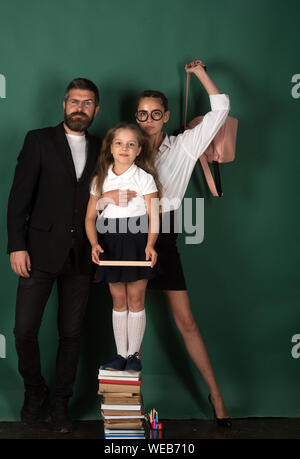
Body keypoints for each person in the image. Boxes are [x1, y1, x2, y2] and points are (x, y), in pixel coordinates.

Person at [101, 60, 232, 426]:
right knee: (129, 325)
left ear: (166, 115)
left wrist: (201, 73)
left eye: (155, 113)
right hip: (125, 236)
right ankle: (129, 410)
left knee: (186, 322)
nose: (148, 120)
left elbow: (221, 108)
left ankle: (217, 396)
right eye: (141, 114)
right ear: (135, 117)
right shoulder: (126, 151)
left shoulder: (183, 146)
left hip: (164, 235)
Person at [7, 78, 101, 433]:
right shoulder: (39, 140)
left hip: (82, 257)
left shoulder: (103, 146)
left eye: (87, 102)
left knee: (72, 334)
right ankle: (35, 390)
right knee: (23, 331)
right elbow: (19, 197)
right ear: (64, 105)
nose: (80, 107)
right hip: (37, 252)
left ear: (96, 109)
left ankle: (61, 401)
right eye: (74, 101)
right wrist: (17, 244)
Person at [85, 124, 160, 372]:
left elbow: (154, 217)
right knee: (119, 300)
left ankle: (132, 356)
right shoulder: (100, 178)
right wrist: (95, 243)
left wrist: (150, 245)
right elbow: (89, 218)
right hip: (110, 242)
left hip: (138, 240)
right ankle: (120, 355)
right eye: (119, 143)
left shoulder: (145, 178)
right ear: (110, 147)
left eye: (131, 144)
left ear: (139, 150)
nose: (124, 148)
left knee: (136, 299)